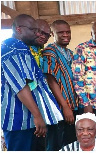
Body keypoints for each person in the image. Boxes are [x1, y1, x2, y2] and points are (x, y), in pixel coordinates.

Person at [1, 14, 63, 151]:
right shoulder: (14, 48)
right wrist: (37, 115)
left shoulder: (21, 48)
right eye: (33, 30)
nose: (37, 34)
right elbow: (21, 86)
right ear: (19, 29)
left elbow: (31, 83)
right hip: (20, 120)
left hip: (26, 120)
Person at [42, 20, 79, 151]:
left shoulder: (69, 53)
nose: (65, 35)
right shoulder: (50, 52)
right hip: (60, 109)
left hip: (72, 106)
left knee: (71, 144)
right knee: (58, 145)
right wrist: (65, 107)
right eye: (61, 32)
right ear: (53, 33)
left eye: (68, 32)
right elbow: (51, 80)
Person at [30, 19, 51, 151]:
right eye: (39, 32)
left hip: (40, 105)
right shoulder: (24, 51)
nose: (43, 36)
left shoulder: (40, 50)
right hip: (29, 108)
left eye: (46, 34)